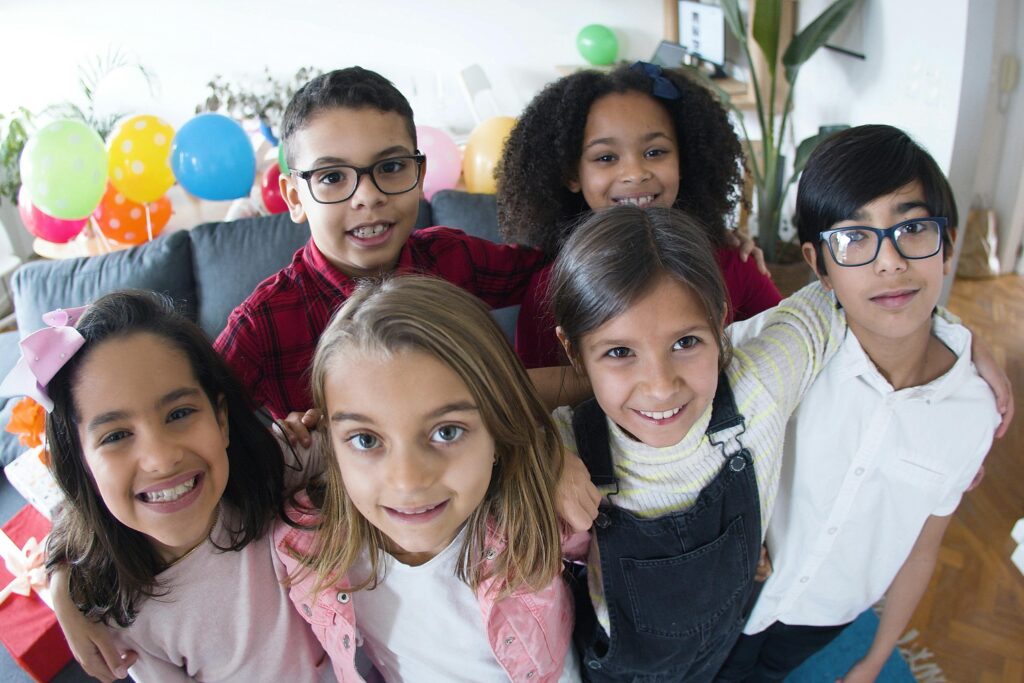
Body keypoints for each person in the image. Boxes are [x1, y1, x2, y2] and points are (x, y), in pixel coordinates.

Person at [716, 124, 1002, 683]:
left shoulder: (974, 413)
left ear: (947, 246)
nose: (890, 261)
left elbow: (923, 546)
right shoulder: (778, 347)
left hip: (823, 618)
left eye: (914, 228)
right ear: (819, 267)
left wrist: (874, 658)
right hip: (725, 596)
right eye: (853, 239)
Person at [547, 204, 845, 682]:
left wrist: (953, 339)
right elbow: (478, 425)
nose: (661, 386)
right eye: (620, 352)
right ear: (574, 352)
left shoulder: (759, 387)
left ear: (721, 322)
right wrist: (540, 454)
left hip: (726, 646)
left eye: (686, 343)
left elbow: (842, 296)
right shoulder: (562, 445)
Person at [0, 292, 332, 681]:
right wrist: (63, 579)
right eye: (116, 435)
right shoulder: (122, 610)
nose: (161, 458)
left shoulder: (270, 469)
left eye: (179, 413)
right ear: (83, 464)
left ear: (220, 420)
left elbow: (369, 439)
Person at [274, 275, 586, 682]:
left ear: (497, 430)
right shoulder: (304, 542)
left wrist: (549, 452)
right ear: (331, 444)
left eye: (446, 432)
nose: (408, 481)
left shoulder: (536, 506)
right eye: (366, 439)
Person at [214, 67, 548, 421]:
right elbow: (197, 415)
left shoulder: (452, 258)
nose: (368, 197)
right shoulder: (263, 322)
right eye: (332, 177)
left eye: (390, 167)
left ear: (419, 176)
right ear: (295, 198)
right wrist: (275, 448)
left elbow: (557, 270)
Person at [497, 61, 782, 369]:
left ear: (684, 161)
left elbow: (787, 355)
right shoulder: (548, 290)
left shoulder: (734, 267)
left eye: (655, 152)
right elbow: (536, 399)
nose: (634, 173)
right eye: (606, 157)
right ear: (572, 174)